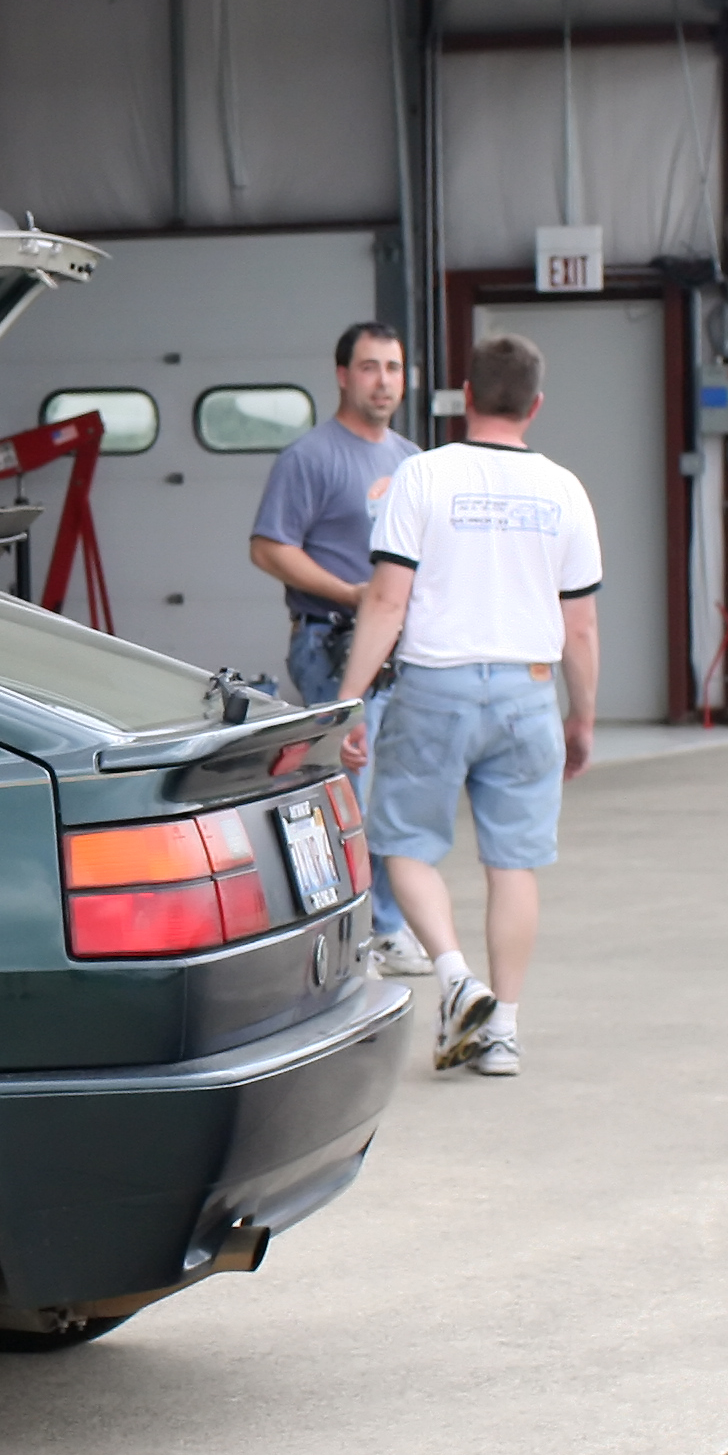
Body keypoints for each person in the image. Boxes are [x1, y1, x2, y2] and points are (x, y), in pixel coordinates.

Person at [335, 331, 599, 1078]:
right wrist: (582, 716)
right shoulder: (564, 489)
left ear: (466, 396)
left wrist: (348, 700)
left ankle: (454, 976)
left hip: (434, 687)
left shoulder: (422, 475)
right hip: (528, 691)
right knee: (514, 864)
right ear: (536, 405)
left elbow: (387, 601)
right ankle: (503, 1030)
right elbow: (580, 624)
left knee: (405, 846)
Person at [250, 320, 428, 973]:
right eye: (370, 367)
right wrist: (352, 593)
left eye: (394, 368)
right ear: (342, 376)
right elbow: (268, 547)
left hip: (399, 654)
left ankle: (387, 926)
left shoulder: (412, 461)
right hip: (332, 644)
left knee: (396, 791)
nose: (384, 381)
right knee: (352, 790)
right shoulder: (310, 457)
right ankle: (359, 934)